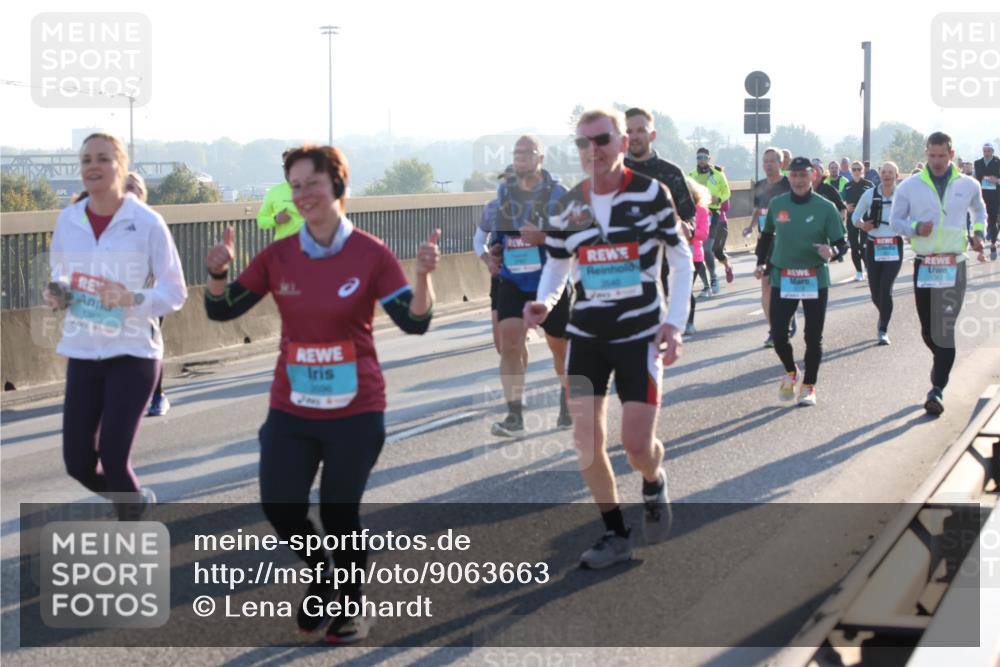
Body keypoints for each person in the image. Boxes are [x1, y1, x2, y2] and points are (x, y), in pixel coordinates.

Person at [205, 145, 441, 643]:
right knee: (281, 507)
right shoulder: (279, 255)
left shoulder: (371, 254)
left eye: (311, 183)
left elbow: (414, 322)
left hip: (356, 409)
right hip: (292, 407)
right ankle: (323, 574)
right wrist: (218, 272)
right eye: (294, 185)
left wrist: (422, 279)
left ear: (338, 186)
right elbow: (223, 311)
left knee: (339, 514)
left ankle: (351, 606)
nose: (302, 194)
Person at [523, 109, 692, 569]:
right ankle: (615, 533)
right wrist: (544, 301)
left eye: (600, 140)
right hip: (587, 337)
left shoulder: (650, 193)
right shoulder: (567, 205)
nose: (592, 150)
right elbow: (557, 265)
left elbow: (681, 261)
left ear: (620, 143)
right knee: (586, 442)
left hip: (639, 333)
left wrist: (673, 322)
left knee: (637, 445)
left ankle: (654, 480)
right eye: (582, 143)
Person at [45, 133, 187, 519]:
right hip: (83, 349)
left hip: (134, 351)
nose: (93, 166)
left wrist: (131, 299)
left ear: (120, 167)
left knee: (113, 455)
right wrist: (57, 294)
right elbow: (60, 273)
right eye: (87, 158)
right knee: (77, 463)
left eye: (103, 159)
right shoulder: (69, 219)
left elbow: (175, 293)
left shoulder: (146, 222)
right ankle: (134, 501)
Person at [479, 136, 571, 436]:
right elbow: (499, 237)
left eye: (527, 153)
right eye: (516, 153)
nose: (520, 158)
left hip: (550, 280)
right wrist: (493, 255)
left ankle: (567, 398)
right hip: (513, 279)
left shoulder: (558, 194)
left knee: (559, 347)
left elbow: (574, 241)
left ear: (540, 158)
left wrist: (544, 238)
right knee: (509, 345)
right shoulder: (503, 192)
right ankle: (514, 417)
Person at [890, 132, 987, 416]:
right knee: (928, 331)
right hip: (925, 264)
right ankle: (941, 360)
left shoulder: (968, 184)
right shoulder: (909, 186)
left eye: (941, 156)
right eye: (931, 156)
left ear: (951, 154)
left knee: (944, 330)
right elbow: (896, 220)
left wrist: (978, 234)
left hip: (954, 264)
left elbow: (979, 212)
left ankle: (937, 389)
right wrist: (915, 228)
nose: (936, 161)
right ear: (926, 154)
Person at [754, 157, 848, 407]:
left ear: (812, 177)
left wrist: (833, 253)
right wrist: (761, 262)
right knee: (778, 334)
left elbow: (842, 244)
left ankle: (809, 387)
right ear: (789, 177)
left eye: (803, 175)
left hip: (814, 278)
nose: (798, 180)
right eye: (794, 176)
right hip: (783, 277)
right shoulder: (778, 204)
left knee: (812, 337)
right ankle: (791, 370)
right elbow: (766, 236)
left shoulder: (825, 207)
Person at [623, 107, 698, 299]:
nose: (635, 136)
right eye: (629, 131)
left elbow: (690, 214)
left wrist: (686, 225)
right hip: (620, 269)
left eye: (641, 130)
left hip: (659, 269)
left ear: (652, 134)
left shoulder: (671, 173)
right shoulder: (612, 174)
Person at [745, 147, 792, 347]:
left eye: (772, 161)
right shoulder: (760, 186)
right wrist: (750, 226)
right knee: (766, 287)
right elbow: (758, 210)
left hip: (787, 242)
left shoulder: (790, 185)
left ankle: (787, 320)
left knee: (785, 288)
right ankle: (774, 330)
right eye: (765, 161)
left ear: (781, 163)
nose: (768, 165)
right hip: (766, 242)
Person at [853, 162, 902, 345]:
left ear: (896, 175)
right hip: (873, 245)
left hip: (894, 245)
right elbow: (854, 216)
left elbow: (913, 217)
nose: (887, 175)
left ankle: (883, 329)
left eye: (890, 172)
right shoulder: (870, 194)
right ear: (879, 174)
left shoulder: (902, 195)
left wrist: (911, 230)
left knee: (885, 288)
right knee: (875, 293)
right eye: (884, 172)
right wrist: (862, 224)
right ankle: (884, 315)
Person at [689, 148, 732, 292]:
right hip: (697, 214)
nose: (701, 160)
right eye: (699, 157)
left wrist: (719, 199)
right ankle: (704, 285)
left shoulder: (718, 175)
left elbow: (727, 192)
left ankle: (713, 278)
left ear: (709, 159)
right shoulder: (691, 175)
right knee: (695, 251)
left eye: (704, 157)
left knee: (707, 249)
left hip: (713, 213)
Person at [683, 178, 711, 335]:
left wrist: (689, 231)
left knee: (686, 290)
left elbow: (704, 234)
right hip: (675, 255)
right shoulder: (676, 210)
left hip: (694, 256)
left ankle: (690, 323)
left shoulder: (701, 210)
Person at [256, 152, 305, 240]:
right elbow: (261, 220)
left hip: (312, 250)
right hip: (284, 250)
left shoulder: (316, 191)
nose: (287, 168)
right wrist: (275, 220)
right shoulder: (275, 192)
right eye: (284, 165)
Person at [842, 160, 875, 282]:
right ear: (851, 171)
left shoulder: (869, 184)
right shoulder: (847, 185)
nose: (856, 172)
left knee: (864, 245)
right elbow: (841, 200)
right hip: (852, 219)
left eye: (858, 169)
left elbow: (875, 199)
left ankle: (867, 267)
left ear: (862, 171)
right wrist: (846, 207)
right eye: (854, 169)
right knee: (854, 246)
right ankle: (858, 271)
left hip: (865, 219)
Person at [973, 141, 999, 261]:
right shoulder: (977, 163)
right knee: (983, 219)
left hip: (995, 196)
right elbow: (975, 178)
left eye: (988, 151)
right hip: (982, 196)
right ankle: (982, 244)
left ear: (992, 152)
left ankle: (993, 243)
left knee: (993, 219)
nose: (986, 153)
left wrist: (997, 180)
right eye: (984, 151)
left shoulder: (998, 162)